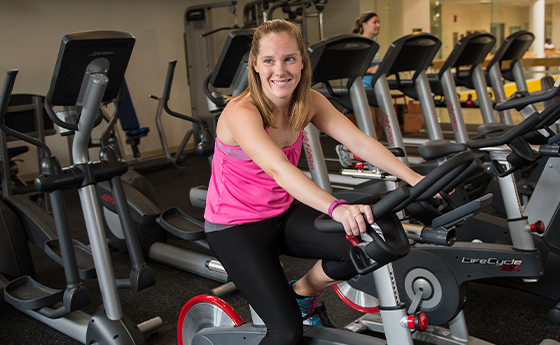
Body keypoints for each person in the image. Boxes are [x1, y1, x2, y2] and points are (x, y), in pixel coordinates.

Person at [204, 19, 423, 345]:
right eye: (269, 61)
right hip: (235, 227)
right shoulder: (241, 112)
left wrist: (415, 178)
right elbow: (278, 169)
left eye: (289, 58)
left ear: (302, 63)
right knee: (286, 332)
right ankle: (290, 311)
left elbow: (359, 142)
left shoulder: (309, 102)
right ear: (255, 66)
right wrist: (335, 208)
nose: (280, 70)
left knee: (365, 246)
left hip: (282, 213)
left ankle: (301, 294)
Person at [337, 11, 383, 168]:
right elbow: (352, 67)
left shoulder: (375, 45)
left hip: (374, 87)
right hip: (362, 86)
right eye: (374, 22)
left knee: (378, 124)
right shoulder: (360, 43)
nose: (377, 25)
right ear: (364, 25)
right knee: (367, 124)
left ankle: (374, 157)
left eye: (378, 22)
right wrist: (372, 70)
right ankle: (344, 148)